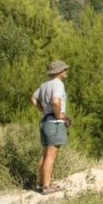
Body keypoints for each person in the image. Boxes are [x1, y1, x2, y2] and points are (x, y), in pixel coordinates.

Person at [30, 60, 71, 194]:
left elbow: (33, 99)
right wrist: (59, 115)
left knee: (45, 154)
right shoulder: (58, 84)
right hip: (54, 123)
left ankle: (41, 183)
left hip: (45, 121)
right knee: (51, 155)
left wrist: (43, 111)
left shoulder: (44, 85)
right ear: (59, 72)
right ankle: (47, 186)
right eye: (64, 70)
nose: (66, 71)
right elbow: (55, 100)